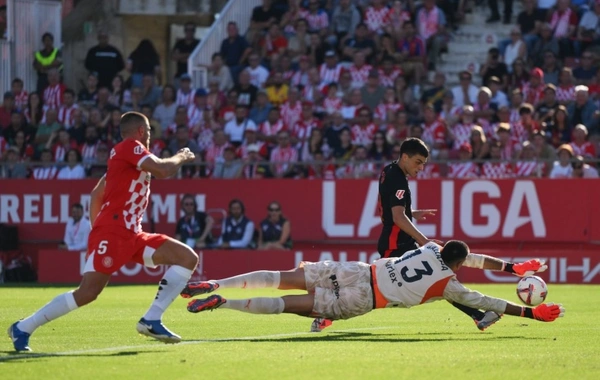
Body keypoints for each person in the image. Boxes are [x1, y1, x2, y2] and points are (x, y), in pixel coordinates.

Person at [8, 111, 198, 352]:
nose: (150, 137)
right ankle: (22, 328)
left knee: (187, 258)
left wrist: (98, 226)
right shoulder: (130, 146)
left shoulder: (123, 161)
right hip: (114, 232)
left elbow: (96, 194)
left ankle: (151, 319)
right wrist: (181, 156)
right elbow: (162, 169)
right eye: (149, 132)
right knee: (87, 292)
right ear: (141, 131)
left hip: (132, 233)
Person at [182, 241, 563, 329]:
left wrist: (513, 266)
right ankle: (224, 302)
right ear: (458, 264)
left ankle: (219, 281)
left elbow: (470, 256)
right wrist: (531, 312)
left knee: (281, 276)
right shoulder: (448, 286)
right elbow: (490, 300)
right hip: (367, 297)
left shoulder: (430, 246)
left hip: (357, 270)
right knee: (290, 304)